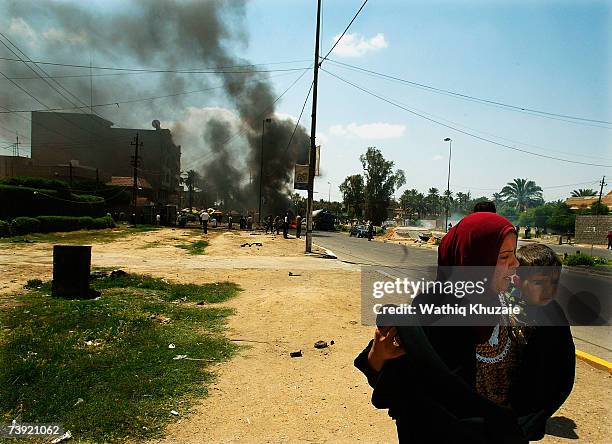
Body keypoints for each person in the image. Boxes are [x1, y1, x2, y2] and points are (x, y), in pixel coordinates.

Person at [355, 212, 573, 442]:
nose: (516, 264)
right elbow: (394, 386)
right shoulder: (431, 312)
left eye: (515, 254)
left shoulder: (517, 303)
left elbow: (552, 368)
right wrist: (377, 357)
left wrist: (522, 423)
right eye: (505, 256)